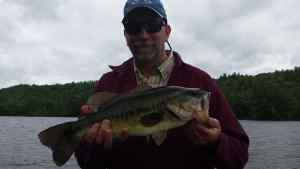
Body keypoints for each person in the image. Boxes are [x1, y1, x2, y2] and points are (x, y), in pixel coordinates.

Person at [75, 0, 249, 169]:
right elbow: (85, 160)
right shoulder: (109, 82)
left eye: (152, 25)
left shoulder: (201, 82)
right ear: (125, 35)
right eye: (133, 27)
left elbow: (239, 156)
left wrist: (216, 142)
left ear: (167, 31)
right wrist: (96, 146)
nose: (143, 35)